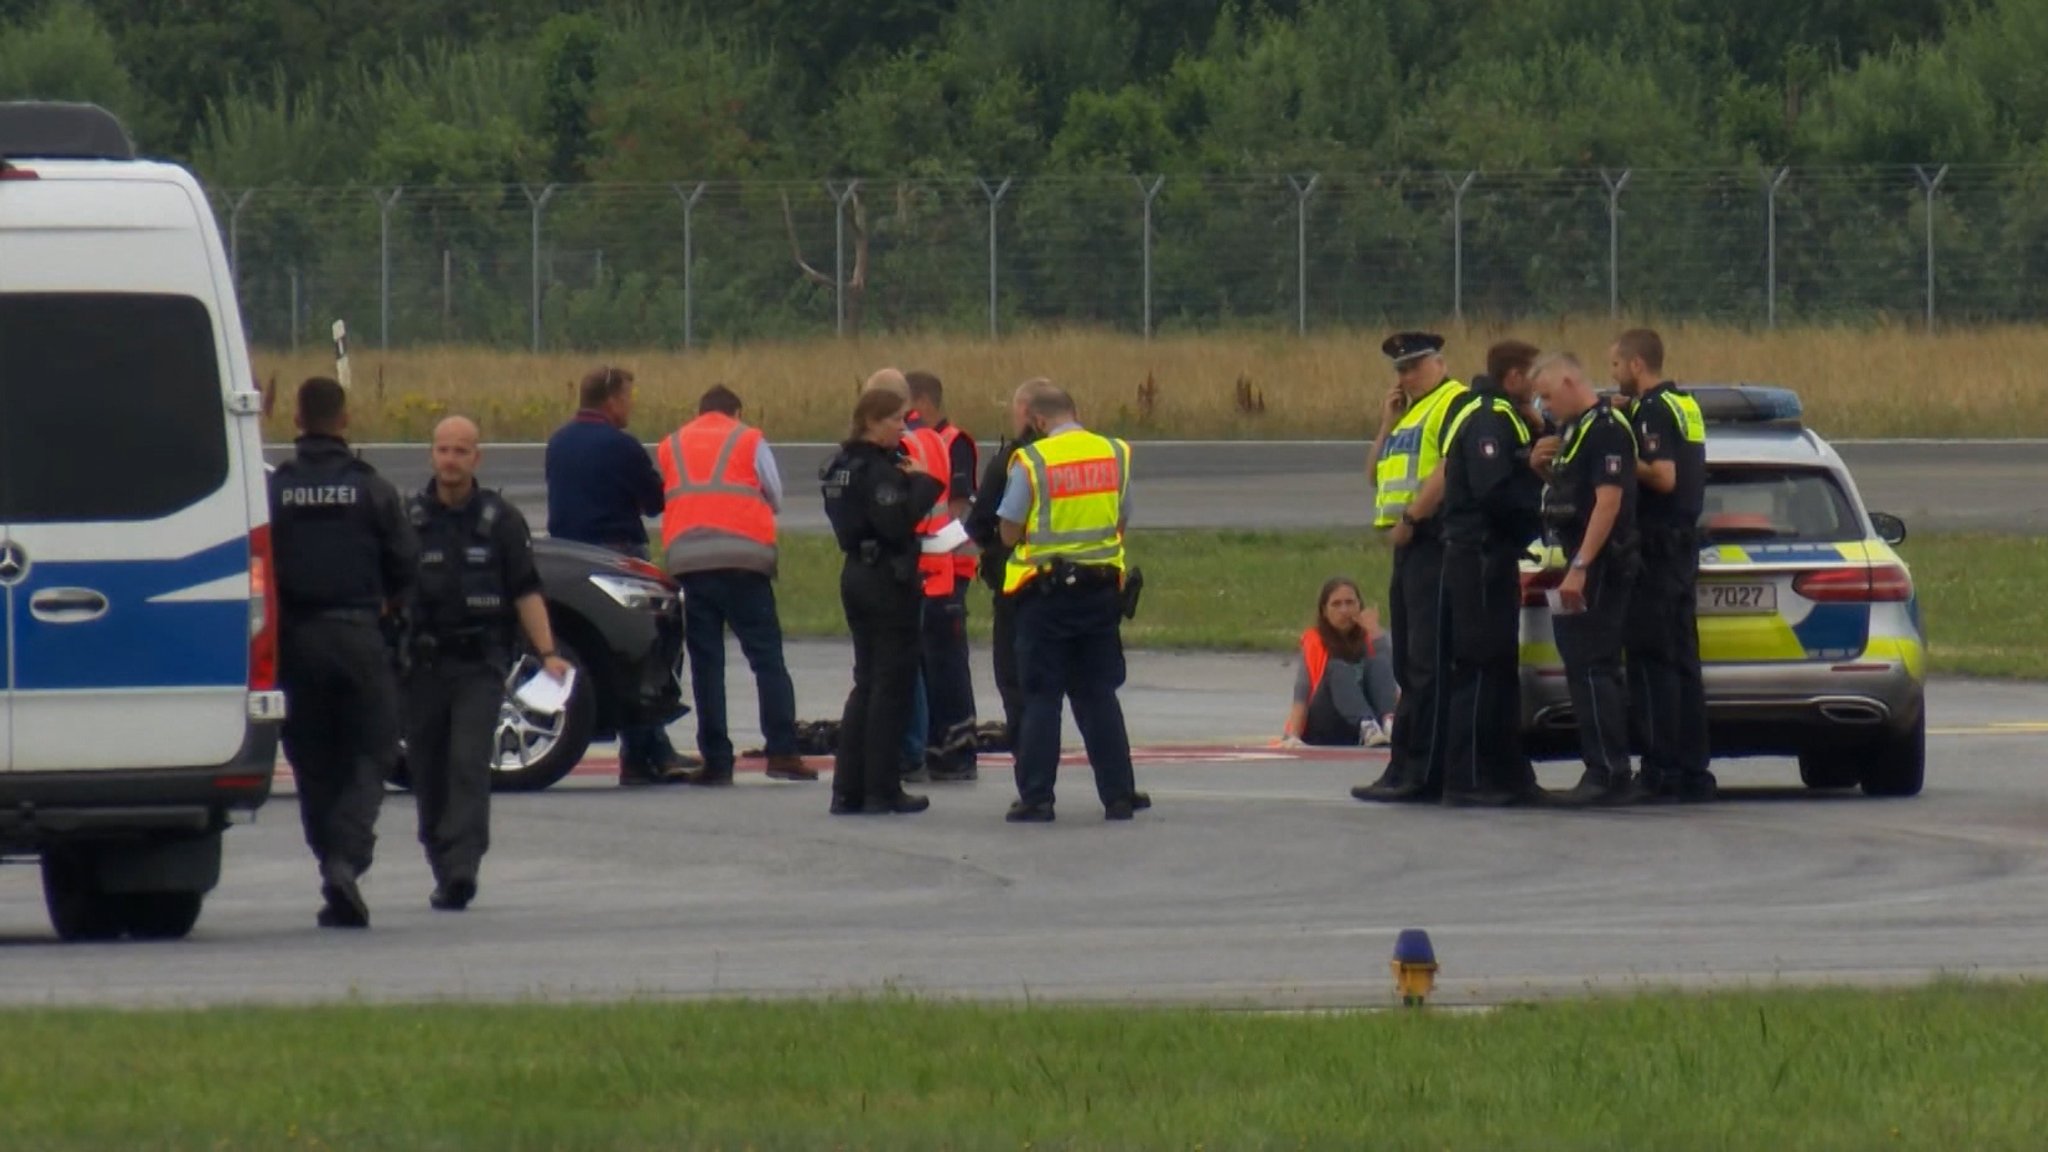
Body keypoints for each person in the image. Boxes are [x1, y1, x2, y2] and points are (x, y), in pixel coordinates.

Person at [405, 415, 573, 910]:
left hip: (479, 664)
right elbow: (386, 590)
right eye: (442, 450)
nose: (450, 460)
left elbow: (525, 590)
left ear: (476, 458)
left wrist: (549, 654)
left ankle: (463, 867)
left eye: (460, 451)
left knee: (467, 764)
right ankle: (441, 861)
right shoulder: (408, 518)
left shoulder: (500, 521)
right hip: (422, 666)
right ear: (432, 455)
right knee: (428, 771)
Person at [268, 377, 418, 929]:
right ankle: (347, 859)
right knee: (374, 748)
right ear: (345, 420)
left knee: (312, 760)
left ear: (298, 421)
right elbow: (406, 563)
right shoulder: (371, 488)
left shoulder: (275, 490)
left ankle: (331, 867)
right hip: (358, 635)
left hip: (295, 642)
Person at [998, 384, 1150, 823]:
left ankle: (1037, 797)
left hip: (1045, 595)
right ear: (1074, 411)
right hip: (1102, 592)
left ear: (1039, 421)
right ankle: (1119, 794)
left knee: (1043, 697)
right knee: (1099, 693)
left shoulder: (1032, 460)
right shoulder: (1115, 452)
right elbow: (1123, 517)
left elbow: (1008, 529)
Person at [544, 364, 694, 786]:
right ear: (611, 400)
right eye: (628, 397)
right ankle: (648, 749)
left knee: (609, 650)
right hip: (617, 553)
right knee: (642, 647)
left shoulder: (558, 442)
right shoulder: (621, 445)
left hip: (569, 553)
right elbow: (653, 501)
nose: (630, 405)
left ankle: (647, 749)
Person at [655, 384, 811, 786]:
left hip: (690, 563)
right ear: (736, 412)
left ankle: (717, 761)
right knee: (766, 659)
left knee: (707, 665)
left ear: (700, 411)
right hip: (745, 562)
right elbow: (773, 494)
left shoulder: (672, 443)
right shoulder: (749, 438)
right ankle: (782, 752)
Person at [1354, 332, 1470, 804]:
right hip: (1406, 548)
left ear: (1439, 364)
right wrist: (1387, 423)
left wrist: (1412, 517)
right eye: (1400, 369)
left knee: (1427, 663)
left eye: (1414, 366)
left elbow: (1447, 468)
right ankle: (1402, 764)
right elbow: (1373, 473)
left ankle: (1423, 770)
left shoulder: (1451, 402)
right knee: (1406, 663)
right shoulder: (1410, 412)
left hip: (1429, 539)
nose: (1406, 376)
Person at [1435, 341, 1549, 806]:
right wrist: (1536, 485)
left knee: (1500, 668)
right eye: (1534, 376)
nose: (1540, 386)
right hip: (1478, 555)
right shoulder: (1487, 416)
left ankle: (1507, 774)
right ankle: (1468, 779)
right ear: (1514, 376)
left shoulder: (1504, 415)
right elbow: (1492, 491)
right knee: (1479, 668)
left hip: (1491, 556)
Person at [819, 388, 941, 816]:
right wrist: (923, 482)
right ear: (872, 421)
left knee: (867, 683)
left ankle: (847, 789)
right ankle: (881, 789)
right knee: (891, 687)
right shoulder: (876, 470)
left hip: (856, 572)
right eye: (895, 421)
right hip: (887, 578)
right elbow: (895, 522)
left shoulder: (840, 466)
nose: (902, 429)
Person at [1529, 353, 1641, 807]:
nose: (1545, 406)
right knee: (1581, 667)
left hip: (1600, 566)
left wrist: (1581, 567)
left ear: (1572, 381)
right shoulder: (1573, 432)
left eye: (1549, 396)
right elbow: (1568, 492)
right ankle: (1599, 765)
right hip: (1579, 561)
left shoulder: (1607, 430)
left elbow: (1608, 503)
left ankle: (1609, 772)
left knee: (1595, 670)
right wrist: (1540, 467)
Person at [1610, 329, 1716, 803]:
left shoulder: (1651, 409)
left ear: (1636, 365)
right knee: (1683, 663)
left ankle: (1659, 770)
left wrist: (1617, 454)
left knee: (1651, 663)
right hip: (1683, 546)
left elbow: (1663, 474)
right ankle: (1693, 770)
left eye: (1615, 365)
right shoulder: (1684, 404)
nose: (1612, 373)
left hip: (1655, 549)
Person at [966, 378, 1056, 752]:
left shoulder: (1017, 459)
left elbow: (982, 521)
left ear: (1029, 415)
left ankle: (1029, 757)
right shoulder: (1086, 455)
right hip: (1081, 581)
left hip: (1019, 581)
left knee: (1016, 678)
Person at [906, 370, 981, 781]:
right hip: (927, 568)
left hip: (952, 565)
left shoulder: (955, 442)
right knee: (924, 657)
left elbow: (956, 508)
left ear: (921, 403)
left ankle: (957, 747)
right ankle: (932, 742)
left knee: (946, 660)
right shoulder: (916, 444)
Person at [1280, 578, 1397, 748]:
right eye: (1336, 604)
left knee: (1378, 663)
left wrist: (1376, 633)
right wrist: (1293, 736)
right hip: (1326, 720)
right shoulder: (1315, 641)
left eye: (1350, 603)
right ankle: (1366, 725)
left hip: (1366, 722)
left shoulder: (1371, 638)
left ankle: (1390, 724)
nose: (1344, 610)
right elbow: (1302, 695)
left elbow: (1394, 679)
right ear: (1324, 611)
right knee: (1337, 668)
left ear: (1360, 606)